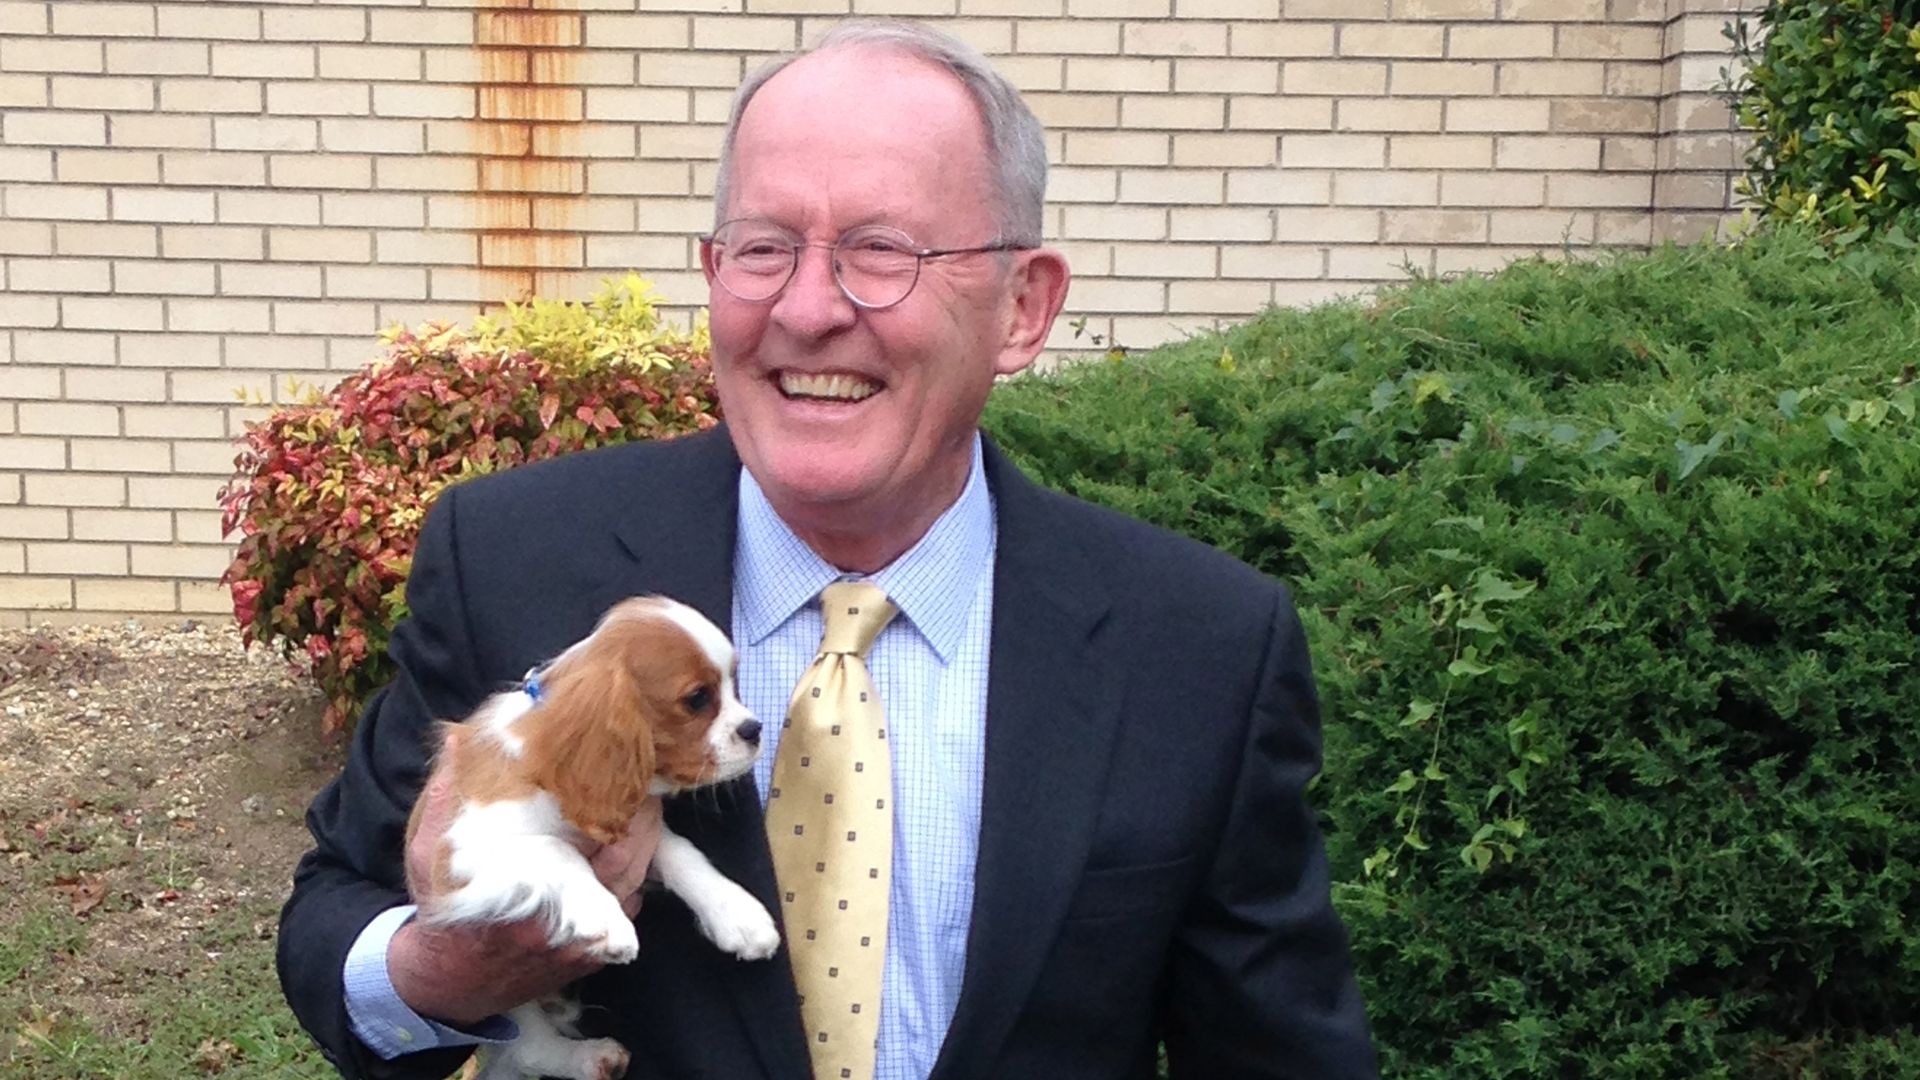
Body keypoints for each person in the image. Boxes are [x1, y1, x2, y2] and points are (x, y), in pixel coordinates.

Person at [277, 18, 1378, 1080]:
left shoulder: (1200, 645)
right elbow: (336, 921)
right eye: (763, 248)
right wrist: (444, 969)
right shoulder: (512, 559)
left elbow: (1276, 1051)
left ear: (1023, 308)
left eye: (880, 251)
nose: (807, 309)